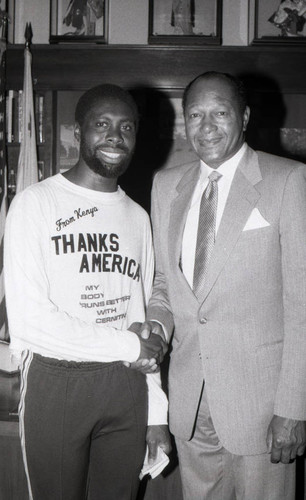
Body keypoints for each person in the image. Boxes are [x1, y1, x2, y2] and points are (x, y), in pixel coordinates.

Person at [141, 71, 306, 499]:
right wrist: (156, 328)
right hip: (191, 401)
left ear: (245, 116)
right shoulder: (165, 186)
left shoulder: (289, 180)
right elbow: (164, 283)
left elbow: (302, 302)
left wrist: (293, 408)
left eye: (220, 112)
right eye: (195, 114)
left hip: (262, 404)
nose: (207, 125)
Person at [4, 84, 171, 500]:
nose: (115, 136)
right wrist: (130, 345)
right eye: (102, 125)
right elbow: (30, 322)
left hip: (127, 383)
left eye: (126, 127)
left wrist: (156, 413)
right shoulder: (36, 203)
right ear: (78, 133)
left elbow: (144, 315)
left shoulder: (137, 216)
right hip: (58, 380)